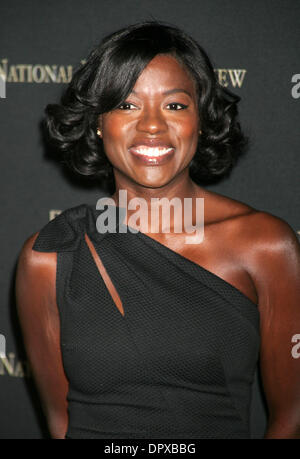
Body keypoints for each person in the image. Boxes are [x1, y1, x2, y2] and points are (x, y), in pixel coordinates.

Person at [15, 21, 300, 439]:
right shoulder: (50, 256)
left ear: (201, 121)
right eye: (127, 105)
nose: (152, 126)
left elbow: (291, 419)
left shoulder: (264, 246)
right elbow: (62, 425)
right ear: (98, 122)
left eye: (175, 106)